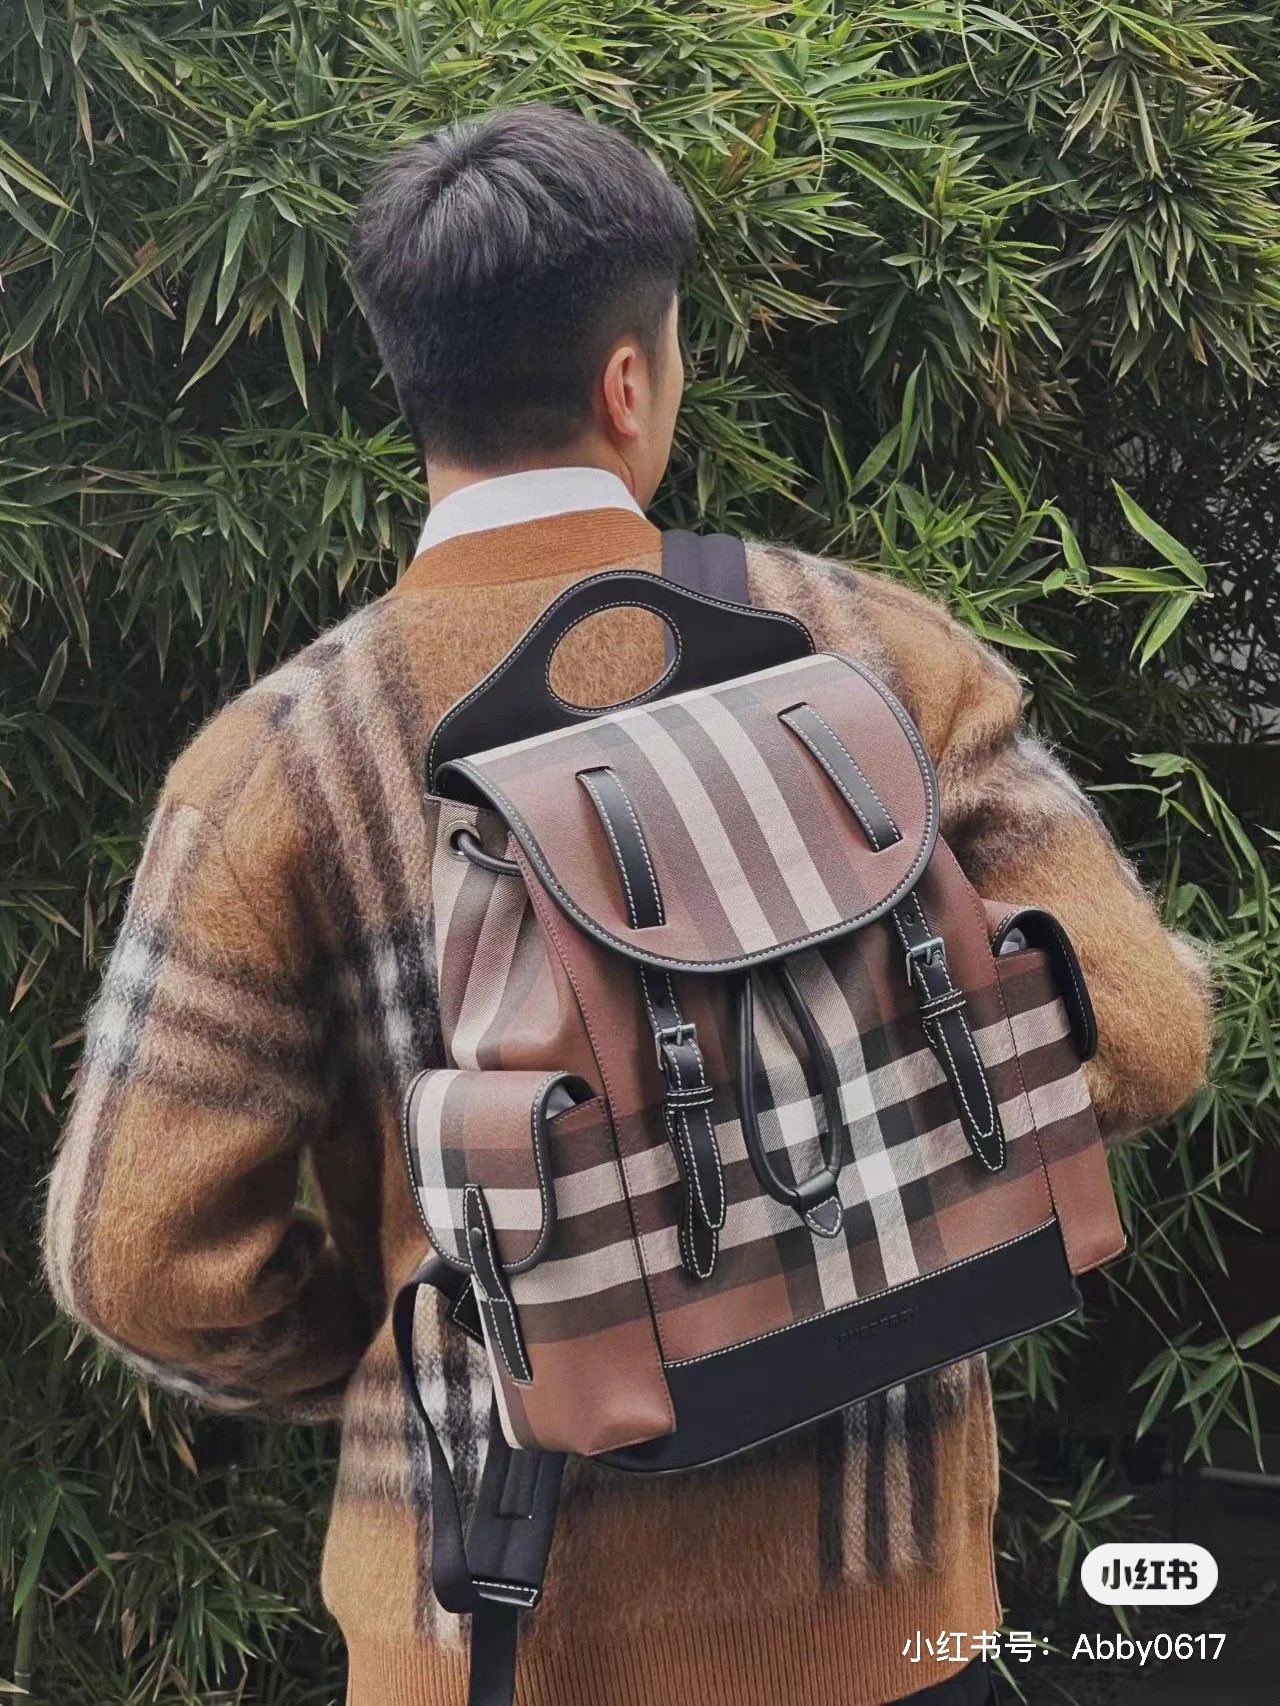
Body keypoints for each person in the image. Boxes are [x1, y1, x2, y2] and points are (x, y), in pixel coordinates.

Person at [44, 103, 1211, 1706]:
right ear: (628, 381)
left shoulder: (275, 764)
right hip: (885, 1624)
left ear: (412, 387)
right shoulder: (875, 658)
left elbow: (135, 1260)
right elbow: (1144, 1031)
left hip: (484, 1640)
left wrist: (407, 1331)